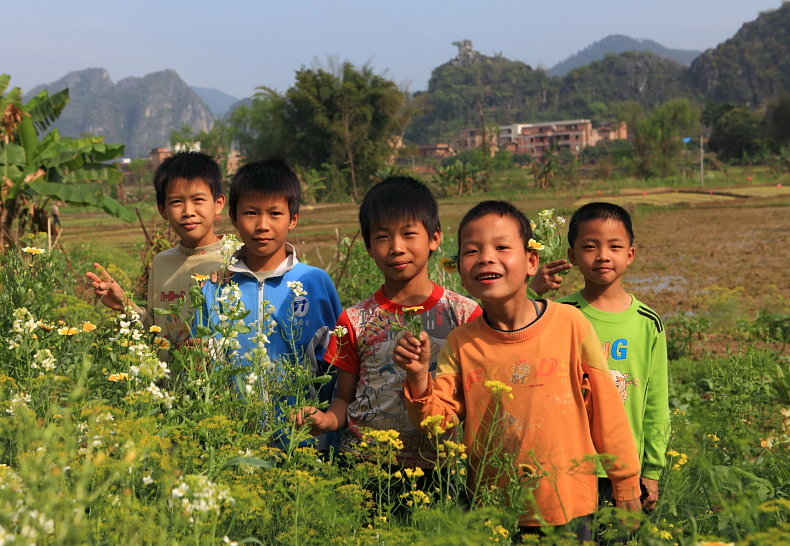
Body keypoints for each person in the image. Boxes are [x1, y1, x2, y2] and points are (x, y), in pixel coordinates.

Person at [394, 200, 641, 539]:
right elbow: (437, 426)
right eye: (471, 251)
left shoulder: (570, 324)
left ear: (531, 261)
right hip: (495, 510)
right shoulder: (461, 343)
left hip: (569, 505)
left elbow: (606, 412)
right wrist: (418, 377)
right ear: (460, 271)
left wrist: (626, 483)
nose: (486, 257)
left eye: (501, 247)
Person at [296, 176, 481, 470]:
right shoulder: (354, 320)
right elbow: (344, 398)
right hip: (365, 463)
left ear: (434, 237)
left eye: (409, 234)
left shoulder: (464, 314)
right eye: (382, 237)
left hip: (441, 467)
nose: (396, 247)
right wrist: (328, 419)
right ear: (368, 247)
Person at [196, 158, 342, 449]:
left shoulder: (315, 283)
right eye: (251, 213)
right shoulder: (216, 288)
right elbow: (202, 365)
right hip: (234, 442)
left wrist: (330, 431)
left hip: (302, 442)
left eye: (275, 213)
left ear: (293, 218)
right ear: (234, 218)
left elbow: (338, 366)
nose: (262, 225)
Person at [555, 202, 669, 514]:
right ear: (573, 256)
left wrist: (652, 470)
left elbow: (656, 402)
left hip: (624, 469)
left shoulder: (648, 323)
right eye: (590, 247)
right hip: (568, 464)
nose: (603, 255)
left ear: (630, 254)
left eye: (614, 246)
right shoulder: (559, 314)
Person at [86, 151, 228, 354]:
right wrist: (125, 305)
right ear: (162, 210)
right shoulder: (161, 262)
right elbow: (154, 330)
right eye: (176, 202)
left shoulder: (235, 260)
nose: (188, 211)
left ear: (218, 204)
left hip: (214, 384)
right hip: (166, 383)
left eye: (198, 200)